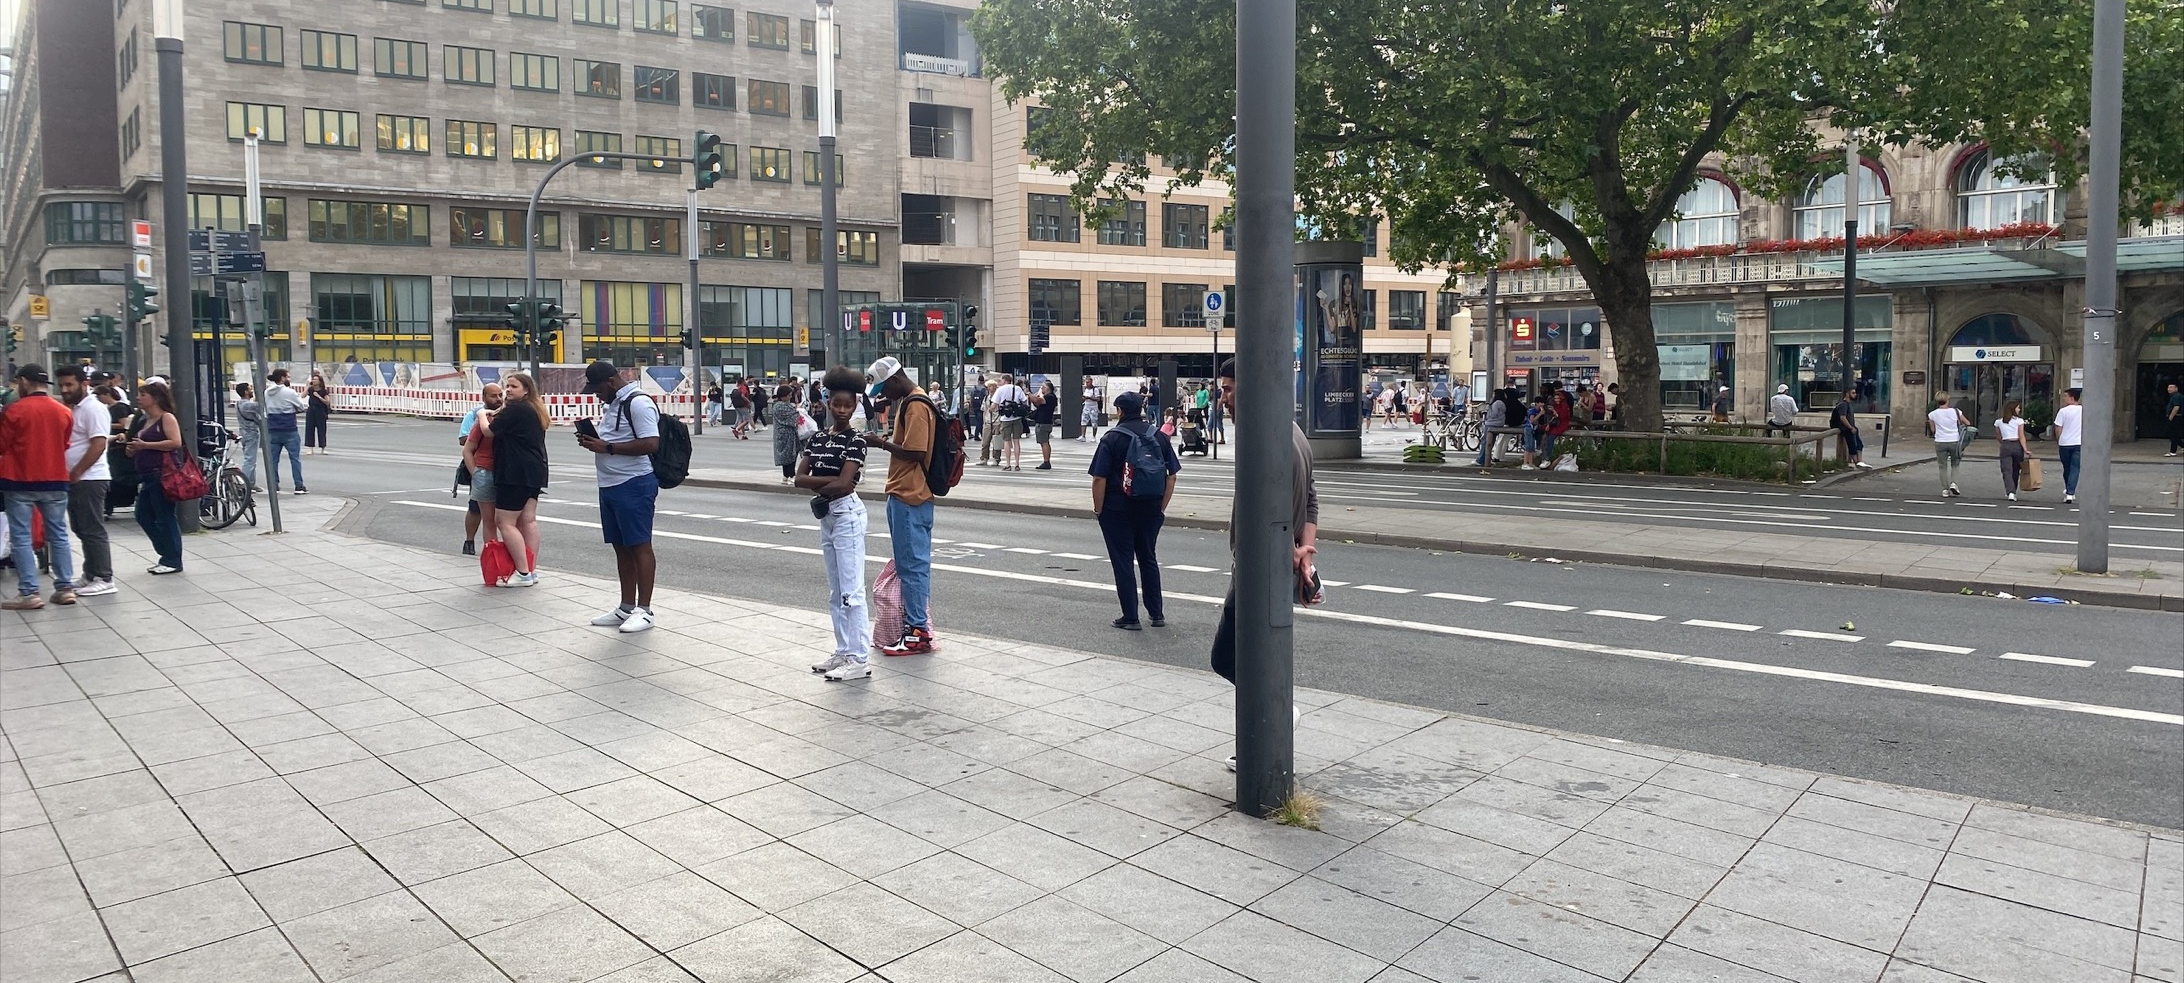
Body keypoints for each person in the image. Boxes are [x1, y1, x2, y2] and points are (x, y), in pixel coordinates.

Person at [1208, 359, 1317, 771]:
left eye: (1231, 389)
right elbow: (1310, 498)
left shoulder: (1268, 439)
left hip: (1258, 567)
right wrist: (1304, 552)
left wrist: (1290, 551)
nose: (1225, 398)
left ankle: (1278, 716)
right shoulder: (1293, 432)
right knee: (1256, 653)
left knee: (1228, 656)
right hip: (1275, 562)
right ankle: (1257, 738)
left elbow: (1271, 510)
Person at [576, 361, 662, 633]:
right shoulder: (613, 404)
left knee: (639, 545)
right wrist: (596, 442)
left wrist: (607, 447)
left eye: (598, 389)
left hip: (634, 483)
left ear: (611, 382)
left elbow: (651, 443)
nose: (596, 395)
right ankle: (626, 607)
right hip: (610, 484)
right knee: (620, 546)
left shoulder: (638, 403)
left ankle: (645, 610)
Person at [800, 367, 874, 681]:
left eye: (849, 406)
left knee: (852, 591)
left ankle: (859, 659)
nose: (843, 410)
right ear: (828, 403)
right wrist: (836, 481)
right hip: (828, 516)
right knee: (836, 590)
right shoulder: (816, 437)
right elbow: (799, 479)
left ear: (855, 406)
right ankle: (843, 650)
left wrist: (822, 481)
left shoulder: (856, 440)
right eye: (837, 404)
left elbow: (845, 485)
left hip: (847, 515)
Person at [864, 357, 938, 655]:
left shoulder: (916, 404)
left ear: (896, 379)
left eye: (885, 388)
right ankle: (916, 626)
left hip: (911, 494)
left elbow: (917, 451)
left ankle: (917, 631)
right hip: (908, 493)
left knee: (913, 567)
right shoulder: (913, 401)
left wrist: (880, 443)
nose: (885, 396)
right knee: (911, 565)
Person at [1090, 392, 1180, 630]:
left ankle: (1131, 616)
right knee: (1148, 558)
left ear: (1119, 411)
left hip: (1117, 509)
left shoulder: (1111, 438)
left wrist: (1099, 510)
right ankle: (1157, 613)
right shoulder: (1159, 436)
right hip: (1150, 507)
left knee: (1123, 562)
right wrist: (1161, 507)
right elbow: (1172, 477)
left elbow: (1099, 479)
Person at [1, 365, 79, 608]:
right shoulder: (63, 411)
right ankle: (65, 587)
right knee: (58, 534)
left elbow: (2, 445)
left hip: (19, 480)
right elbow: (65, 443)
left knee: (21, 536)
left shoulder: (15, 410)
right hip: (55, 478)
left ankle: (29, 593)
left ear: (24, 381)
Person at [56, 367, 116, 598]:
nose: (64, 390)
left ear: (84, 383)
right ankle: (91, 573)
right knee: (80, 527)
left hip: (90, 478)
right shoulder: (76, 408)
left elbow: (98, 444)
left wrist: (77, 471)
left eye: (69, 385)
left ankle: (104, 577)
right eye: (61, 385)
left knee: (92, 528)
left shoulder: (94, 408)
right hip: (77, 478)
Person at [488, 372, 550, 588]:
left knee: (504, 522)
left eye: (513, 386)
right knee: (528, 519)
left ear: (526, 390)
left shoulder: (516, 409)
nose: (508, 390)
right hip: (535, 470)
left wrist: (480, 415)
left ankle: (523, 571)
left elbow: (489, 431)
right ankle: (531, 569)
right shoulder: (535, 409)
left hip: (514, 471)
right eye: (507, 386)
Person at [121, 381, 186, 575]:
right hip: (147, 475)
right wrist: (132, 449)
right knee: (143, 515)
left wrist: (146, 446)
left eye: (143, 395)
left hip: (161, 474)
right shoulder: (144, 419)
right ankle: (166, 553)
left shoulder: (166, 418)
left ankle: (172, 559)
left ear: (155, 398)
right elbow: (137, 444)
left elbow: (175, 442)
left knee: (165, 516)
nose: (139, 398)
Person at [459, 383, 503, 555]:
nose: (498, 399)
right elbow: (465, 442)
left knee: (503, 517)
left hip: (502, 472)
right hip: (483, 471)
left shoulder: (505, 415)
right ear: (484, 398)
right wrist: (475, 473)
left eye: (500, 395)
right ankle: (469, 541)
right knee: (476, 510)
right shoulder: (476, 415)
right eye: (493, 396)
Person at [263, 368, 308, 494]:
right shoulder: (290, 392)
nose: (289, 379)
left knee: (273, 460)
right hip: (289, 428)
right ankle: (298, 485)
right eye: (288, 377)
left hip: (272, 428)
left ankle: (274, 484)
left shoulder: (267, 392)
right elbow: (300, 406)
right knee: (295, 458)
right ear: (282, 378)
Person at [97, 383, 137, 518]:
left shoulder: (120, 407)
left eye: (100, 396)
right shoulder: (107, 408)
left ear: (107, 395)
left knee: (117, 476)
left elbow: (123, 423)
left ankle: (111, 504)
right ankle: (109, 505)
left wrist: (105, 423)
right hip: (113, 445)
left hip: (119, 445)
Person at [1926, 394, 1971, 498]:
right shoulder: (1956, 412)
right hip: (1954, 440)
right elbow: (1967, 422)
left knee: (1942, 466)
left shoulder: (1932, 414)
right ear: (1947, 400)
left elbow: (1933, 430)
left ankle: (1945, 490)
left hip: (1940, 441)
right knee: (1955, 464)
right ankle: (1954, 483)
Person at [992, 373, 1030, 470]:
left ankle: (1008, 464)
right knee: (1016, 441)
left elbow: (994, 404)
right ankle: (1017, 464)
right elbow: (1025, 401)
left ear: (1005, 380)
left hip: (1005, 418)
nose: (1000, 382)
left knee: (1006, 441)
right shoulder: (1017, 388)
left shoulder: (1000, 390)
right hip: (1016, 417)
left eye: (1001, 380)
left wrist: (990, 410)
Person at [1995, 400, 2029, 502]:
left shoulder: (1999, 422)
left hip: (2005, 444)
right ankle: (2013, 490)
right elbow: (2021, 436)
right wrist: (2025, 449)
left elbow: (1998, 436)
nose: (2019, 409)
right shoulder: (2019, 421)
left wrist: (2003, 443)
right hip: (2017, 445)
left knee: (2006, 470)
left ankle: (2010, 492)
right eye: (2018, 407)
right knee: (2015, 469)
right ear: (2013, 409)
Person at [2054, 387, 2083, 504]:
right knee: (2075, 468)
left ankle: (2069, 490)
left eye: (2066, 396)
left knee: (2067, 467)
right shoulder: (2084, 410)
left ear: (2072, 398)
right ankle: (2070, 491)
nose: (2064, 398)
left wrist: (2059, 439)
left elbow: (2058, 427)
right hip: (2079, 443)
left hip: (2065, 443)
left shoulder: (2063, 411)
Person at [232, 383, 263, 491]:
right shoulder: (248, 405)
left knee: (250, 458)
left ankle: (251, 483)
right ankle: (243, 483)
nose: (252, 391)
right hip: (251, 433)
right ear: (245, 392)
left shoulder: (238, 403)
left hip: (243, 433)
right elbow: (261, 406)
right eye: (250, 389)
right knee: (250, 459)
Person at [769, 382, 802, 481]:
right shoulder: (780, 406)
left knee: (789, 455)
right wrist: (798, 411)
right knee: (789, 455)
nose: (790, 396)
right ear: (783, 396)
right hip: (785, 435)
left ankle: (787, 475)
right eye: (789, 395)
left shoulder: (782, 405)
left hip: (786, 434)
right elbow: (794, 416)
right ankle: (790, 475)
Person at [1830, 392, 1870, 470]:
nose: (1855, 394)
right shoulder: (1843, 405)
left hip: (1851, 427)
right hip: (1846, 428)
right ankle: (1856, 462)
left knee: (1859, 444)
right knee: (1852, 446)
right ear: (1847, 394)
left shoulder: (1849, 404)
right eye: (1853, 393)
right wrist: (1850, 427)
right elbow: (1843, 417)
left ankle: (1860, 461)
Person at [1475, 387, 1509, 467]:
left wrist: (1488, 409)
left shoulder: (1497, 403)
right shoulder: (1502, 403)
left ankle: (1481, 459)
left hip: (1491, 423)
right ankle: (1486, 459)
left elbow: (1493, 415)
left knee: (1485, 441)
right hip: (1499, 423)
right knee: (1490, 441)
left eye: (1494, 394)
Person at [1030, 380, 1058, 470]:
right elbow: (1037, 403)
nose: (1041, 389)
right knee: (1045, 442)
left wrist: (1029, 394)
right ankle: (1046, 460)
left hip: (1043, 423)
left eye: (1043, 387)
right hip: (1045, 422)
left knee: (1044, 442)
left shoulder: (1050, 397)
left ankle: (1046, 461)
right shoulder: (1049, 397)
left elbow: (1037, 400)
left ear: (1048, 389)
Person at [304, 372, 332, 454]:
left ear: (320, 381)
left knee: (321, 429)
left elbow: (327, 402)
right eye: (313, 379)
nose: (313, 381)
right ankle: (310, 448)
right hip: (311, 410)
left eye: (315, 379)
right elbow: (303, 395)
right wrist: (307, 386)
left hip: (320, 410)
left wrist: (319, 397)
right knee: (309, 429)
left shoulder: (324, 391)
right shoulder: (311, 389)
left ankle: (323, 448)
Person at [2165, 382, 2183, 456]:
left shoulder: (2176, 396)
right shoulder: (2173, 396)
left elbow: (2176, 407)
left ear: (2176, 388)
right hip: (2176, 417)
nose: (2169, 389)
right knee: (2176, 435)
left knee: (2173, 434)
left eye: (2171, 387)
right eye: (2168, 387)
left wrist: (2170, 417)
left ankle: (2173, 451)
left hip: (2176, 417)